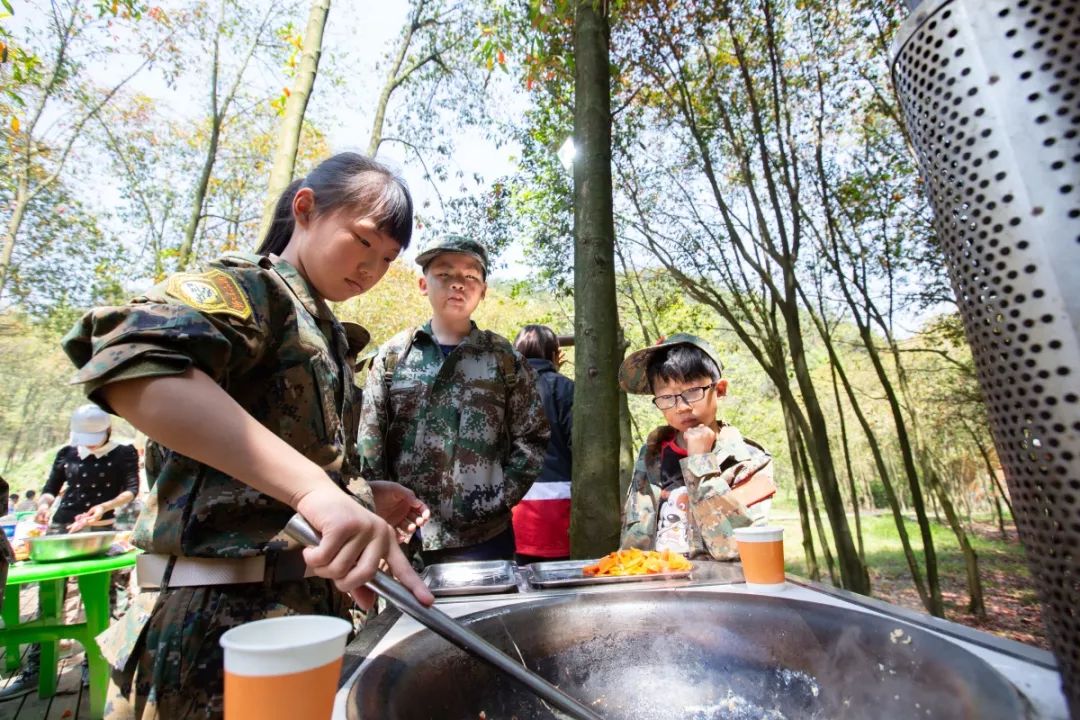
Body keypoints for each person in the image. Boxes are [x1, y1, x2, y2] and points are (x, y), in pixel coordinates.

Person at [60, 152, 434, 719]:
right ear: (305, 208)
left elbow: (262, 478)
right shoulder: (250, 289)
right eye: (362, 241)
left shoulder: (324, 332)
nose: (370, 269)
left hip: (296, 624)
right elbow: (132, 368)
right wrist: (315, 491)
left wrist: (361, 495)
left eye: (386, 259)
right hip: (211, 628)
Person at [359, 235, 549, 565]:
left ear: (484, 290)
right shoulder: (393, 357)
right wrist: (380, 512)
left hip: (485, 538)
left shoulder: (503, 358)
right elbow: (370, 444)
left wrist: (498, 499)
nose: (458, 284)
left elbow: (532, 437)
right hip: (407, 537)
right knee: (407, 618)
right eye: (444, 275)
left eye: (470, 276)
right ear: (423, 284)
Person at [619, 334, 776, 560]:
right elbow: (631, 543)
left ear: (720, 389)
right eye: (666, 397)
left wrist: (700, 464)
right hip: (653, 586)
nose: (681, 407)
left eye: (692, 392)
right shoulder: (650, 455)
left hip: (715, 589)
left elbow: (739, 548)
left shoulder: (749, 461)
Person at [510, 325, 573, 565]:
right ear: (555, 355)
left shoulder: (502, 391)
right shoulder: (566, 389)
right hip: (559, 513)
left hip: (514, 516)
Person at [34, 405, 140, 531]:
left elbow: (131, 490)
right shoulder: (67, 453)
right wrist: (43, 506)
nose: (89, 444)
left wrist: (105, 507)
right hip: (61, 524)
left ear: (108, 430)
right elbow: (51, 488)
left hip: (101, 525)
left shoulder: (124, 453)